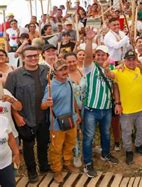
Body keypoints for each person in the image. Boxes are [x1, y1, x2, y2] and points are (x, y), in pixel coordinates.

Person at [5, 46, 50, 183]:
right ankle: (32, 171)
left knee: (43, 143)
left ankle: (44, 166)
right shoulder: (14, 75)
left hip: (43, 116)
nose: (33, 58)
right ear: (23, 58)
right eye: (29, 56)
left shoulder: (45, 70)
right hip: (25, 118)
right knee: (28, 145)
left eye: (35, 55)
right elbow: (8, 98)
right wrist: (17, 116)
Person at [81, 28, 118, 178]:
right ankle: (88, 163)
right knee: (89, 137)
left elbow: (115, 83)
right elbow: (88, 56)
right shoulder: (90, 67)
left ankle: (106, 153)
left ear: (108, 56)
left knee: (106, 133)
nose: (101, 56)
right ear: (95, 56)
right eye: (99, 54)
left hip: (107, 108)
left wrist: (109, 72)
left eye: (104, 54)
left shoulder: (111, 68)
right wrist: (89, 40)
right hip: (91, 109)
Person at [40, 60, 81, 183]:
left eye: (66, 69)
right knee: (56, 148)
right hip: (57, 123)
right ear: (55, 72)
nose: (64, 72)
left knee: (70, 143)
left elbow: (73, 98)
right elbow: (42, 105)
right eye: (61, 70)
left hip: (71, 120)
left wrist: (77, 113)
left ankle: (67, 163)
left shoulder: (69, 82)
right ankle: (57, 170)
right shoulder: (50, 87)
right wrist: (47, 103)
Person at [109, 50, 142, 165]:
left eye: (133, 59)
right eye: (128, 59)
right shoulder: (118, 71)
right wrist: (108, 67)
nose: (131, 62)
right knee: (126, 132)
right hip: (126, 110)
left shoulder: (139, 69)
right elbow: (109, 75)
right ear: (124, 60)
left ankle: (138, 145)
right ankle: (128, 151)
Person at [0, 115, 20, 187]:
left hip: (6, 163)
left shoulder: (4, 120)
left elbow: (11, 138)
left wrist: (16, 153)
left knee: (10, 184)